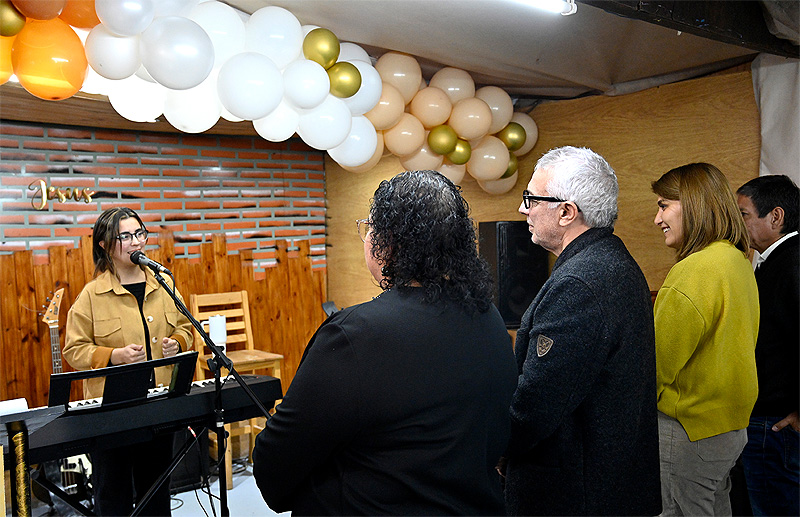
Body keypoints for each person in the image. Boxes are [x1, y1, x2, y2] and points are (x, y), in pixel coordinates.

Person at [252, 170, 518, 515]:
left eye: (370, 228)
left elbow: (277, 462)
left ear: (388, 242)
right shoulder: (489, 317)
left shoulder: (355, 335)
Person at [504, 146, 661, 516]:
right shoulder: (611, 260)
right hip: (605, 483)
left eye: (530, 198)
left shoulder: (581, 283)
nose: (523, 209)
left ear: (565, 212)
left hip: (576, 492)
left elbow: (538, 403)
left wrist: (498, 446)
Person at [64, 207, 193, 516]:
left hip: (159, 405)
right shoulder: (91, 296)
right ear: (105, 245)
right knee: (114, 496)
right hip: (112, 412)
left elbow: (186, 327)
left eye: (139, 234)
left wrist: (178, 342)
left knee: (157, 493)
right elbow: (74, 349)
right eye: (126, 236)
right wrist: (112, 356)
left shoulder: (163, 284)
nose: (136, 242)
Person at [651, 163, 759, 516]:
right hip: (728, 429)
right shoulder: (736, 259)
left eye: (664, 205)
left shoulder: (695, 270)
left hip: (689, 431)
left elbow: (655, 365)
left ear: (695, 205)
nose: (657, 218)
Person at [736, 175, 799, 516]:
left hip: (777, 427)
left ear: (775, 217)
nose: (736, 222)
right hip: (768, 425)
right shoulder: (774, 262)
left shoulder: (792, 262)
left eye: (743, 214)